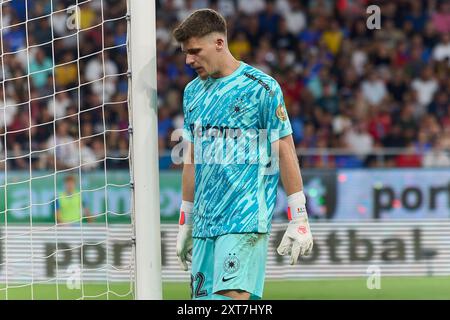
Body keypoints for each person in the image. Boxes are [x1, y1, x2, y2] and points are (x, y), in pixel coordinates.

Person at [173, 9, 313, 300]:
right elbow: (192, 158)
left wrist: (299, 216)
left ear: (219, 43)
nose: (189, 60)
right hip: (204, 222)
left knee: (230, 299)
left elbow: (285, 149)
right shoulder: (192, 93)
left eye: (195, 51)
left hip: (243, 216)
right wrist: (186, 219)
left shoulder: (261, 88)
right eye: (186, 53)